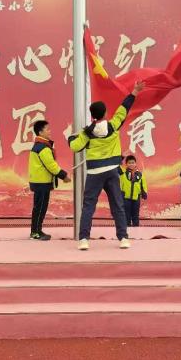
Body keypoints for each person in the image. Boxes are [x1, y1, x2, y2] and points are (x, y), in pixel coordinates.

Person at [68, 81, 144, 251]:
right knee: (118, 206)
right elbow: (124, 109)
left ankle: (84, 240)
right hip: (112, 172)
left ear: (92, 116)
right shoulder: (113, 125)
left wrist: (71, 138)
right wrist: (134, 91)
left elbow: (74, 146)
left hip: (94, 173)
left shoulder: (87, 133)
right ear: (105, 113)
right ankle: (123, 238)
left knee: (88, 207)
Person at [28, 120, 71, 240]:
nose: (50, 131)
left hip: (40, 182)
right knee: (40, 208)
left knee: (39, 207)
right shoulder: (43, 148)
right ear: (40, 132)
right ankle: (35, 232)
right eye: (47, 129)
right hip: (41, 183)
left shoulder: (40, 145)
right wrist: (64, 176)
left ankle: (37, 230)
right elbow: (51, 165)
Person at [120, 155, 147, 227]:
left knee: (135, 214)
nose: (131, 164)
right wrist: (119, 160)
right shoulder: (123, 173)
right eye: (129, 163)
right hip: (126, 198)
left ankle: (136, 228)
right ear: (126, 164)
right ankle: (127, 228)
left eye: (133, 163)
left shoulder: (140, 174)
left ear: (135, 163)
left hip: (136, 198)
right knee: (126, 214)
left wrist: (144, 192)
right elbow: (117, 167)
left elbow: (143, 184)